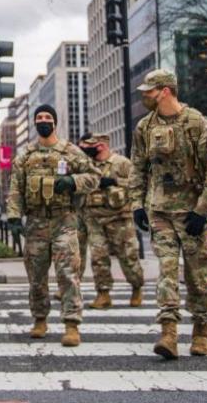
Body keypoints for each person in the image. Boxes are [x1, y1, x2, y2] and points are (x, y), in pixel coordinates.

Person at [129, 68, 207, 360]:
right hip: (160, 211)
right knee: (167, 272)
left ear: (166, 91)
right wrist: (136, 204)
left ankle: (200, 331)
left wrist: (204, 208)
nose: (145, 95)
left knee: (196, 276)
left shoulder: (196, 122)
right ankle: (168, 333)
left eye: (150, 90)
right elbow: (137, 168)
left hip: (193, 212)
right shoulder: (144, 127)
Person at [6, 104, 101, 347]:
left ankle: (71, 324)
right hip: (36, 222)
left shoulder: (70, 151)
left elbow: (94, 177)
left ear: (55, 122)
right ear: (35, 123)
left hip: (64, 221)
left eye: (48, 117)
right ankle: (40, 319)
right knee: (36, 276)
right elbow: (16, 188)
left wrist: (73, 181)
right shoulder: (25, 155)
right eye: (39, 117)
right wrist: (14, 216)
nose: (44, 120)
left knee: (68, 273)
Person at [77, 132, 144, 310]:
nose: (85, 149)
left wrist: (114, 181)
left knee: (128, 257)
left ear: (101, 145)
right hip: (94, 218)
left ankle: (137, 286)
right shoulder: (87, 166)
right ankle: (103, 294)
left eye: (89, 145)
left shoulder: (122, 163)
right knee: (98, 258)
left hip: (120, 218)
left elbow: (138, 184)